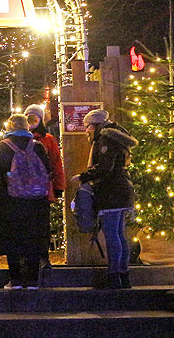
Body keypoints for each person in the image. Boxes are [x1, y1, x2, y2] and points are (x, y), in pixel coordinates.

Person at [71, 109, 138, 289]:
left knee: (112, 235)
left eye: (88, 126)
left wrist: (84, 177)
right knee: (119, 234)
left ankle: (114, 276)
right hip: (122, 189)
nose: (86, 130)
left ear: (96, 125)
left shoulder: (105, 139)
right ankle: (124, 275)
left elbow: (105, 167)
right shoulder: (116, 136)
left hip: (111, 192)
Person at [0, 114, 53, 289]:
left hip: (11, 201)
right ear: (26, 127)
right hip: (36, 201)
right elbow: (47, 170)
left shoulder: (2, 147)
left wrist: (4, 191)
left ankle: (15, 279)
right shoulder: (37, 146)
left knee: (12, 238)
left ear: (9, 127)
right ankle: (32, 279)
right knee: (34, 238)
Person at [26, 103, 66, 276]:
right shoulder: (21, 138)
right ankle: (30, 258)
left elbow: (56, 163)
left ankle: (43, 256)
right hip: (25, 189)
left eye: (35, 117)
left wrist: (58, 186)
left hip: (41, 188)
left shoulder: (48, 139)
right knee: (28, 224)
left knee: (42, 224)